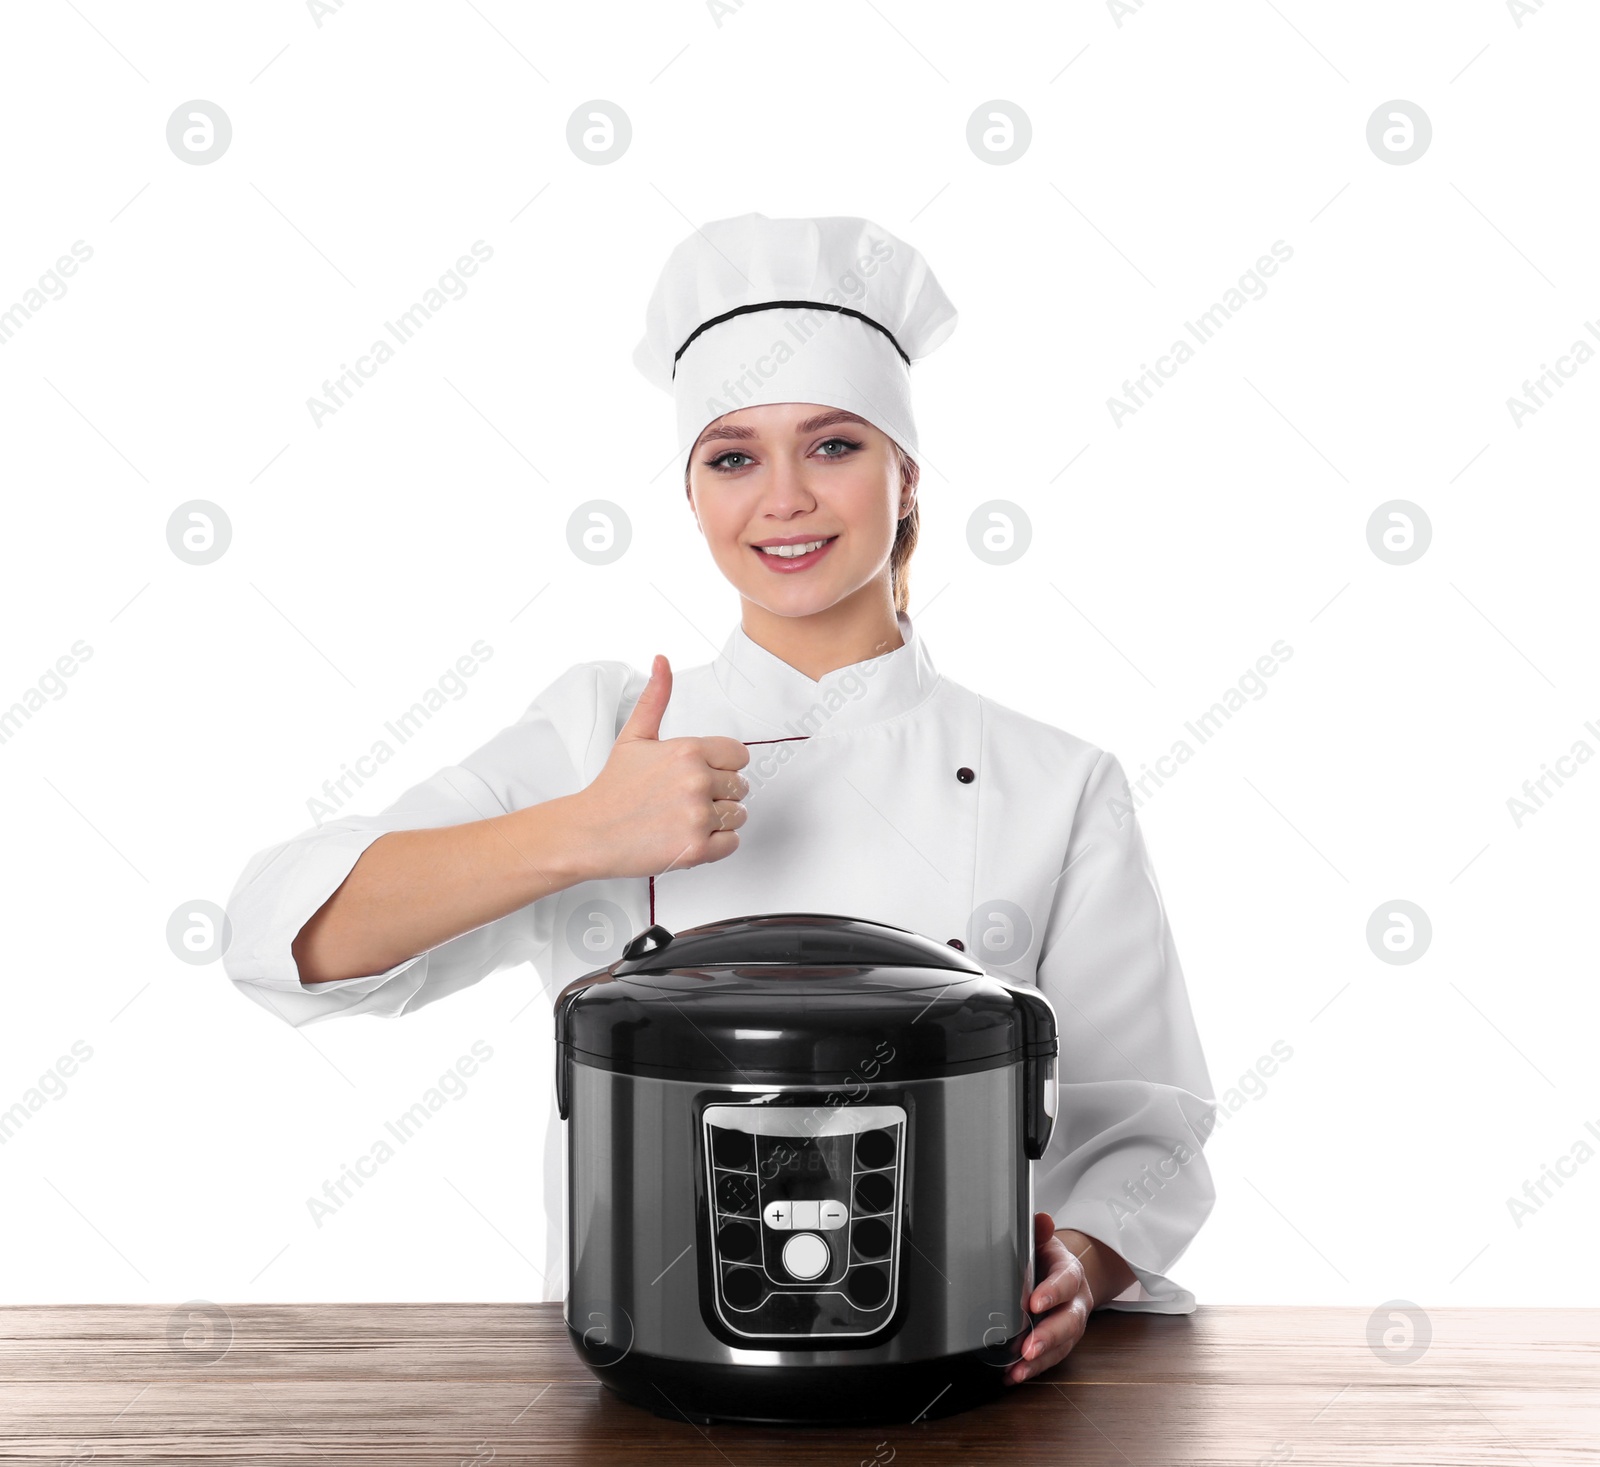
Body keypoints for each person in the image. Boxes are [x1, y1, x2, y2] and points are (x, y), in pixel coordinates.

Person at [223, 212, 1217, 1387]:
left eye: (835, 446)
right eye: (733, 457)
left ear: (907, 479)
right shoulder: (601, 736)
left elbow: (1144, 1127)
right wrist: (580, 831)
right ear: (692, 497)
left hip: (949, 1367)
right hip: (649, 1367)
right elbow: (281, 939)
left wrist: (1082, 1266)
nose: (783, 500)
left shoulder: (1052, 780)